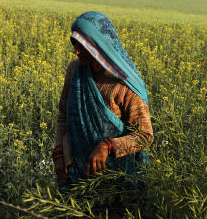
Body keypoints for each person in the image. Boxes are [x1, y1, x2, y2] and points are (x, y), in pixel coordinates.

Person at [52, 11, 153, 186]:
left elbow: (145, 136)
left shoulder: (124, 84)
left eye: (81, 45)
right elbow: (63, 117)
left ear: (98, 45)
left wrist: (108, 146)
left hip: (115, 181)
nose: (76, 51)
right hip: (75, 175)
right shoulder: (74, 71)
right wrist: (59, 154)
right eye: (74, 43)